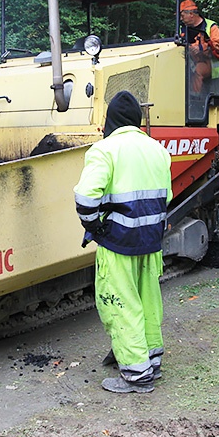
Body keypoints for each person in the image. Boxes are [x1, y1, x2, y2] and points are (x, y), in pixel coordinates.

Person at [74, 91, 172, 393]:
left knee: (120, 305)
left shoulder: (105, 150)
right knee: (148, 301)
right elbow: (166, 197)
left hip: (118, 243)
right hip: (151, 240)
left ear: (111, 119)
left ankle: (136, 374)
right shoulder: (158, 150)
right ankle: (151, 360)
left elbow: (86, 197)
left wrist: (96, 228)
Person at [179, 0, 219, 94]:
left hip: (210, 64)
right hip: (190, 64)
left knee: (198, 69)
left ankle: (194, 98)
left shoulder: (211, 27)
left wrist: (200, 48)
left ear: (191, 14)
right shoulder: (182, 30)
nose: (181, 19)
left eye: (182, 16)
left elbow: (218, 47)